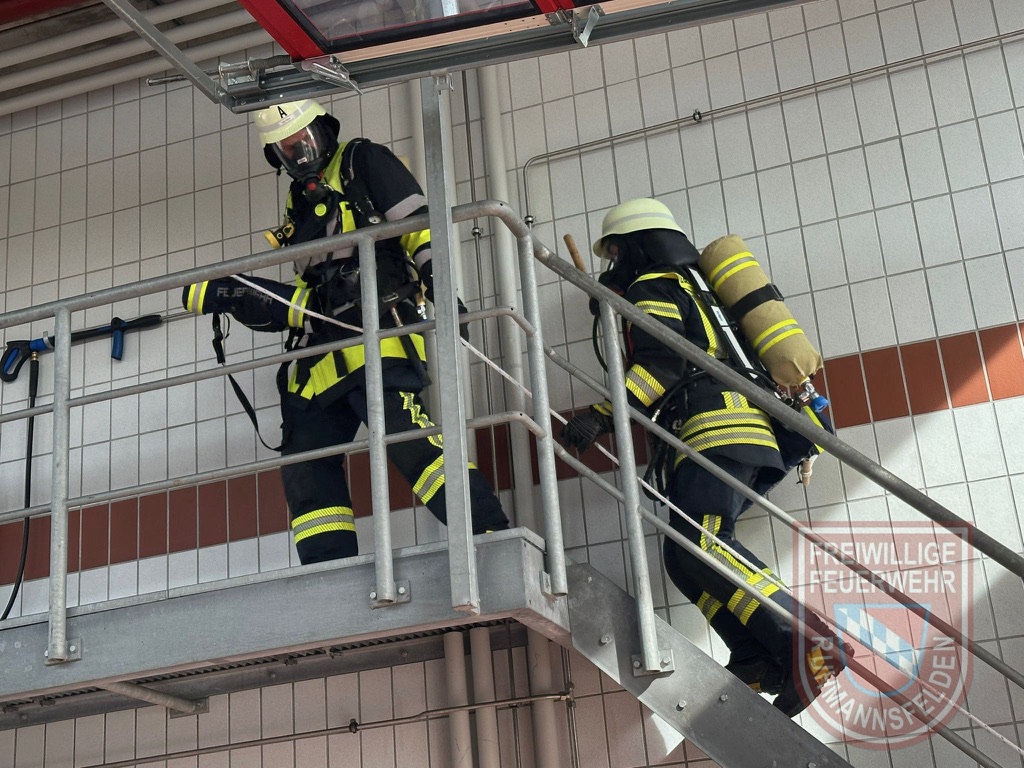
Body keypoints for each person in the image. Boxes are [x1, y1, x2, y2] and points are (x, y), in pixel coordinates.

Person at [183, 98, 508, 564]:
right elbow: (310, 288)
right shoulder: (298, 202)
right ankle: (326, 573)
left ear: (323, 130)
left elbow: (420, 227)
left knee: (411, 445)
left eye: (302, 140)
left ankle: (490, 533)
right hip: (319, 359)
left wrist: (441, 287)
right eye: (285, 149)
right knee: (305, 465)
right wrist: (246, 299)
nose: (298, 153)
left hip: (377, 335)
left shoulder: (363, 160)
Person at [559, 198, 848, 717]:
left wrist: (602, 415)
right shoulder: (698, 287)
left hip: (718, 427)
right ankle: (758, 656)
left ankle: (808, 641)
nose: (614, 263)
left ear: (636, 247)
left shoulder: (654, 287)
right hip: (743, 432)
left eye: (616, 252)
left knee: (704, 540)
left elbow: (664, 364)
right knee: (683, 554)